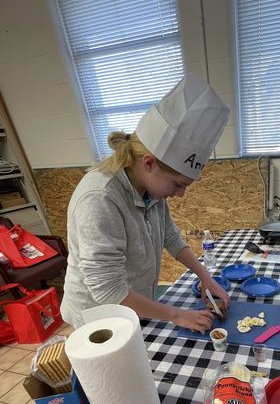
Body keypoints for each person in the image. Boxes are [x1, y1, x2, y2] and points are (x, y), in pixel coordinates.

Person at [60, 75, 230, 330]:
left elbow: (170, 237)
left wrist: (206, 277)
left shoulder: (150, 190)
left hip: (132, 305)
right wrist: (176, 315)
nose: (180, 194)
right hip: (97, 318)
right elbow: (107, 290)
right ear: (148, 163)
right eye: (177, 184)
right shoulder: (100, 199)